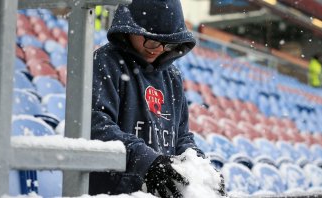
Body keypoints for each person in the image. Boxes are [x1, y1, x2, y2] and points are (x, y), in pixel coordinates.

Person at [89, 0, 223, 197]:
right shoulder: (105, 62)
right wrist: (146, 161)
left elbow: (182, 137)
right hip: (114, 192)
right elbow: (96, 126)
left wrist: (202, 170)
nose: (158, 49)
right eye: (151, 40)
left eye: (168, 43)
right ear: (129, 28)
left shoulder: (173, 76)